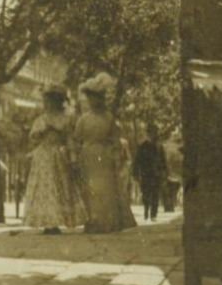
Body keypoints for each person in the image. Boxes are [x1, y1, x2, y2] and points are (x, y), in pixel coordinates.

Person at [71, 75, 137, 233]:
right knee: (90, 189)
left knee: (106, 188)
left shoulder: (109, 118)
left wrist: (115, 156)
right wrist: (74, 158)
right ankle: (93, 221)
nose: (96, 102)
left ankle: (107, 222)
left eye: (98, 98)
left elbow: (115, 139)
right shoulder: (83, 119)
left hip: (105, 156)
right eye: (92, 98)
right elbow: (76, 140)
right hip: (87, 156)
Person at [22, 88, 85, 233]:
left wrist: (73, 158)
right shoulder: (41, 119)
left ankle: (56, 221)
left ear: (58, 102)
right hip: (43, 155)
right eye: (46, 102)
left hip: (58, 154)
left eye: (50, 101)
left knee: (58, 186)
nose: (48, 104)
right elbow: (33, 138)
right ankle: (47, 222)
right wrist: (41, 132)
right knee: (45, 187)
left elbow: (69, 140)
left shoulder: (65, 119)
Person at [132, 121, 166, 222]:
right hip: (146, 173)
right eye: (151, 132)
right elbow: (137, 161)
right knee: (146, 193)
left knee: (155, 193)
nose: (154, 134)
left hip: (156, 173)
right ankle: (146, 209)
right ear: (148, 133)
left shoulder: (159, 147)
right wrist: (135, 173)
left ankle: (153, 214)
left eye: (155, 132)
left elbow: (163, 161)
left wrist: (165, 172)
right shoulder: (142, 146)